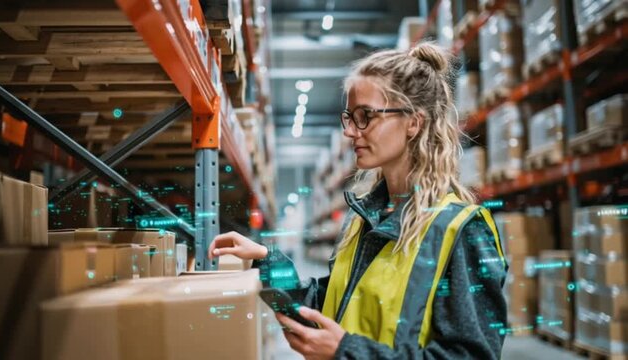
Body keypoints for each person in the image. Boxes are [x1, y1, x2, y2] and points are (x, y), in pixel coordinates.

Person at [208, 43, 508, 359]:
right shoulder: (365, 221)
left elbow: (472, 355)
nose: (351, 131)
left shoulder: (462, 231)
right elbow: (331, 307)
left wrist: (346, 352)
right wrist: (267, 260)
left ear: (413, 122)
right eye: (349, 117)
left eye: (365, 116)